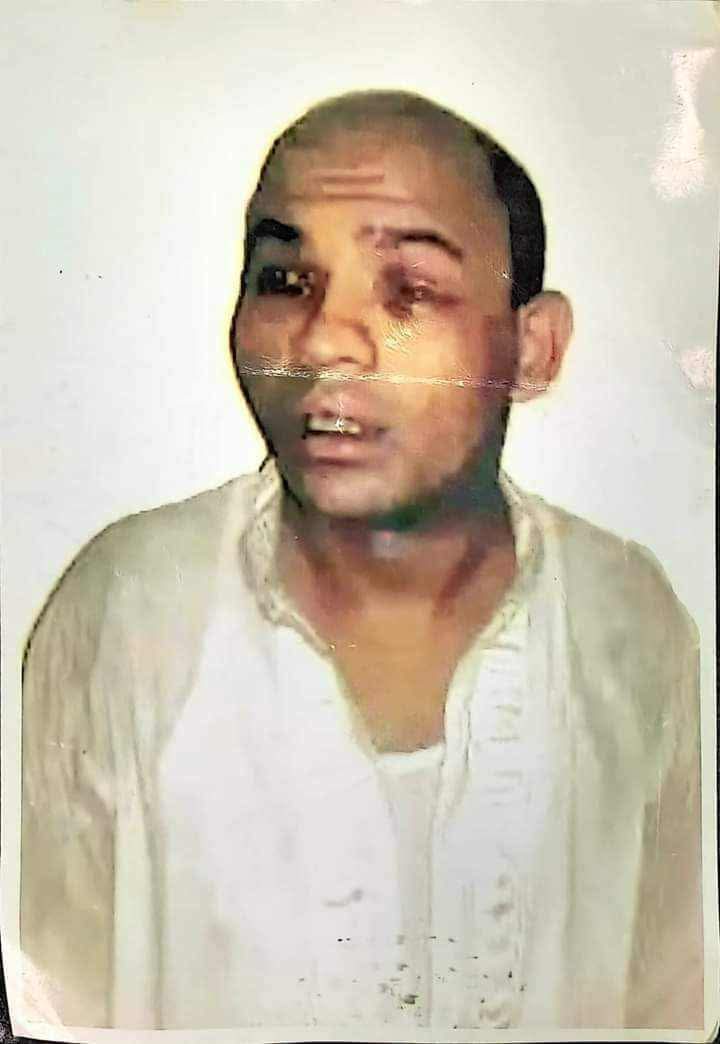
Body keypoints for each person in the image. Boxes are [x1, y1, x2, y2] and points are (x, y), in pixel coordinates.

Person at [20, 90, 703, 1032]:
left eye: (409, 290)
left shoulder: (628, 623)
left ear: (533, 347)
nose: (322, 340)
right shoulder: (128, 614)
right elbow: (51, 1000)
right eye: (286, 281)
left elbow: (673, 1004)